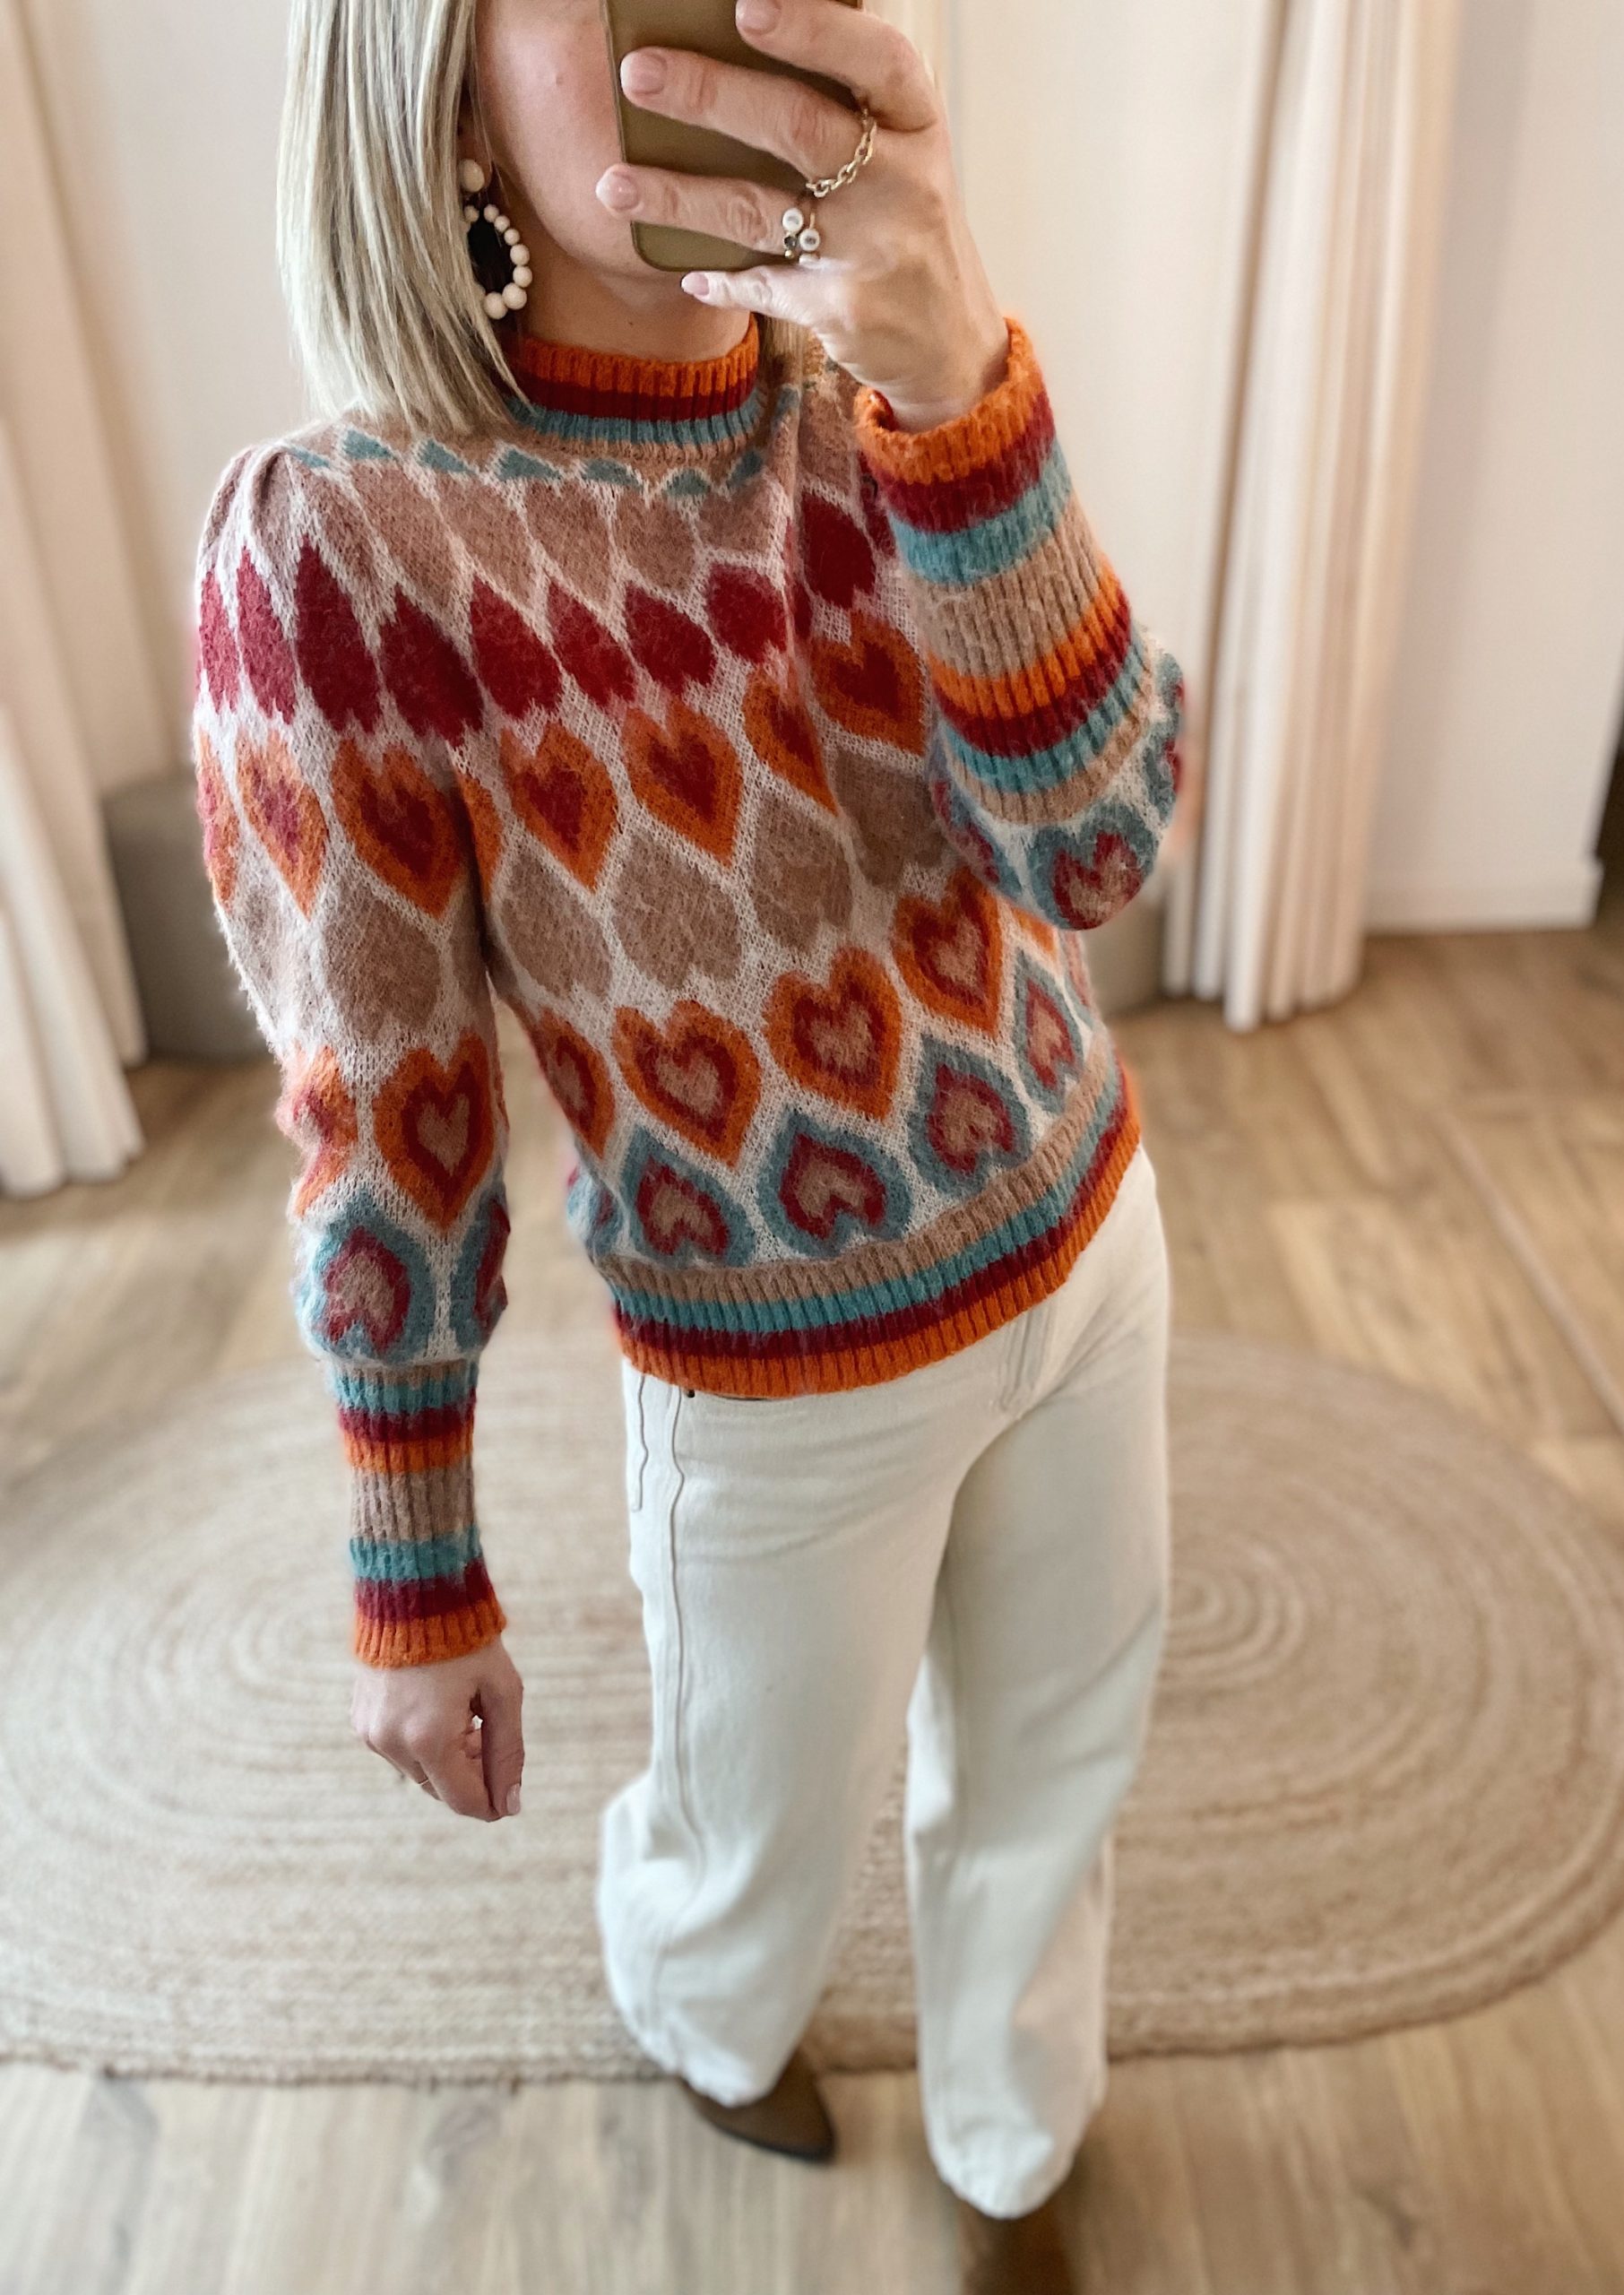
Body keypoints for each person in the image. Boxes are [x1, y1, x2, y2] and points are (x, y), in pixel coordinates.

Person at [191, 1, 1184, 2285]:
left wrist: (961, 386)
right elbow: (386, 1111)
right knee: (758, 1831)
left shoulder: (890, 403)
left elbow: (1102, 844)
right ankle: (701, 2010)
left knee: (1058, 1766)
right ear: (433, 78)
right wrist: (413, 1558)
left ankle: (1014, 2142)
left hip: (1091, 1235)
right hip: (774, 1379)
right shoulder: (347, 546)